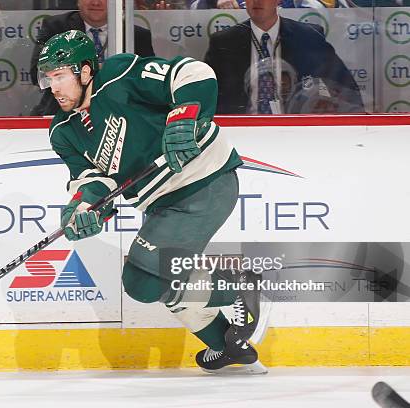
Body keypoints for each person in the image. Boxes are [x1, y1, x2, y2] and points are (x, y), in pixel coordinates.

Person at [37, 29, 266, 374]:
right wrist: (84, 210)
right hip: (163, 204)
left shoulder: (119, 75)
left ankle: (238, 286)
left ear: (85, 71)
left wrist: (186, 115)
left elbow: (192, 73)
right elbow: (92, 180)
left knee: (146, 277)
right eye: (48, 78)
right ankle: (228, 346)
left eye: (60, 75)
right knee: (156, 284)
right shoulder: (62, 131)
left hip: (203, 179)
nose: (53, 87)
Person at [203, 0, 364, 114]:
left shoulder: (308, 38)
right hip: (242, 132)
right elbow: (206, 99)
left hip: (296, 131)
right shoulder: (224, 43)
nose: (256, 1)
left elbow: (346, 88)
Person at [29, 0, 155, 116]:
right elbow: (36, 73)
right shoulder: (56, 27)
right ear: (78, 1)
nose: (96, 2)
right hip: (64, 116)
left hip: (119, 117)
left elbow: (147, 83)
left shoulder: (138, 36)